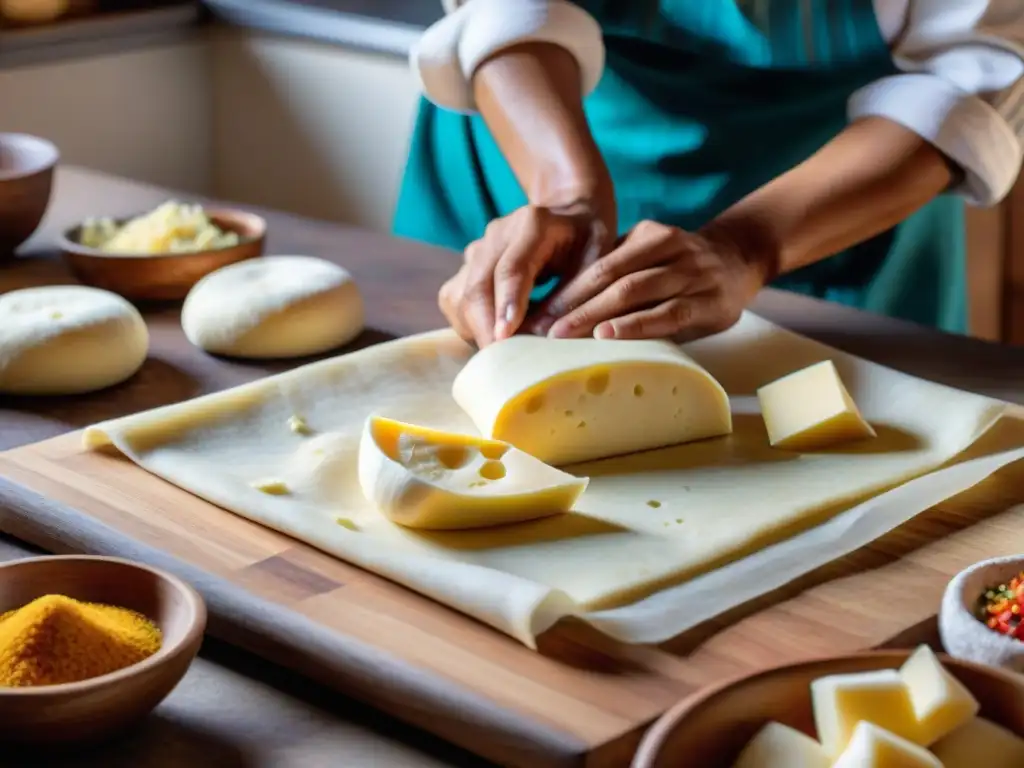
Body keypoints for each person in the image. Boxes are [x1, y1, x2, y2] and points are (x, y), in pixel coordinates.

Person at [394, 0, 1024, 348]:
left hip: (836, 185)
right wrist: (565, 191)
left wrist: (744, 248)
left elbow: (968, 78)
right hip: (532, 131)